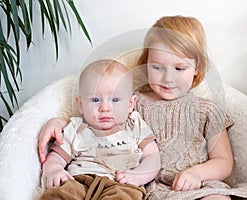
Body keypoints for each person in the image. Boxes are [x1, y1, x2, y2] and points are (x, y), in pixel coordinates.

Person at [39, 16, 247, 199]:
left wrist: (196, 173)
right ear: (146, 63)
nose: (168, 78)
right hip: (150, 188)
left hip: (198, 187)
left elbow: (224, 161)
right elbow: (94, 117)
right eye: (158, 67)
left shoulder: (207, 110)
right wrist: (58, 123)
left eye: (179, 68)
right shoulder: (131, 102)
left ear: (197, 68)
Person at [39, 59, 160, 200]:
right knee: (59, 195)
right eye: (95, 100)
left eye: (115, 100)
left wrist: (139, 176)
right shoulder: (75, 128)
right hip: (79, 180)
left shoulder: (135, 125)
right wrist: (55, 170)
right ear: (81, 105)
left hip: (121, 183)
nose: (105, 108)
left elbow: (153, 157)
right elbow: (56, 157)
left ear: (130, 104)